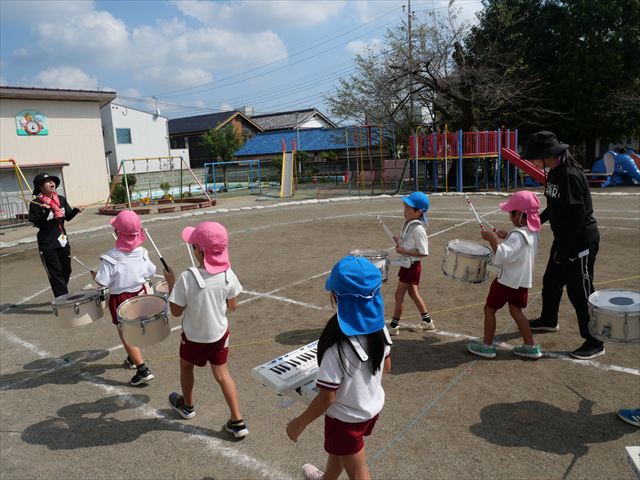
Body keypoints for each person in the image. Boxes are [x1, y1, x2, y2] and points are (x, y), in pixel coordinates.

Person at [286, 255, 392, 480]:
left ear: (335, 296)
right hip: (370, 409)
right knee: (340, 451)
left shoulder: (336, 347)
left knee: (359, 472)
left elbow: (327, 398)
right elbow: (387, 367)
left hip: (345, 421)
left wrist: (299, 423)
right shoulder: (381, 329)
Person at [521, 131, 603, 359]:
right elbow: (554, 206)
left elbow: (578, 215)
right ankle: (549, 319)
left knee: (580, 292)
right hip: (564, 239)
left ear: (547, 155)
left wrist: (564, 249)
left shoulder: (570, 175)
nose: (532, 161)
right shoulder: (554, 173)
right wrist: (534, 222)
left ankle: (595, 340)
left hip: (580, 241)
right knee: (551, 281)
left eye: (534, 157)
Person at [163, 221, 248, 439]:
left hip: (194, 337)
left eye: (194, 246)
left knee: (186, 366)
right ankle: (237, 421)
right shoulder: (228, 273)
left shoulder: (187, 277)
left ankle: (187, 406)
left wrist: (171, 283)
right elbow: (233, 305)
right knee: (222, 374)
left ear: (199, 251)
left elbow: (175, 311)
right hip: (219, 335)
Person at [466, 191, 543, 359]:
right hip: (522, 282)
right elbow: (521, 249)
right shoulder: (532, 232)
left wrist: (492, 240)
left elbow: (502, 256)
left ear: (520, 214)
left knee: (489, 310)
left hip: (507, 281)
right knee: (516, 311)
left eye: (511, 212)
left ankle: (487, 346)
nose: (510, 216)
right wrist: (508, 236)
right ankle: (530, 347)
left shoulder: (518, 235)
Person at [93, 210, 157, 386]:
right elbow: (151, 271)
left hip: (120, 299)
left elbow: (101, 281)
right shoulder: (142, 252)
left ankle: (142, 369)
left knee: (125, 333)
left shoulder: (110, 257)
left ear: (117, 232)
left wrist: (95, 276)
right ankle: (132, 357)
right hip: (139, 294)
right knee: (134, 327)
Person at [28, 173, 84, 298]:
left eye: (52, 180)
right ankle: (63, 298)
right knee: (55, 273)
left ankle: (61, 293)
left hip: (62, 240)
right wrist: (46, 211)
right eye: (47, 181)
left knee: (67, 270)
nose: (51, 183)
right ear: (40, 187)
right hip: (48, 244)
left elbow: (67, 217)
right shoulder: (36, 203)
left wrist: (75, 210)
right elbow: (38, 224)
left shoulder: (61, 199)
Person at [388, 191, 434, 336]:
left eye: (408, 209)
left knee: (399, 295)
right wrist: (399, 241)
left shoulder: (418, 229)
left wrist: (403, 250)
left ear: (419, 212)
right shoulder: (409, 224)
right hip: (407, 265)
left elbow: (423, 252)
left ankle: (394, 326)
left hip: (412, 266)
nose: (405, 211)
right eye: (405, 208)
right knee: (413, 293)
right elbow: (408, 242)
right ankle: (427, 321)